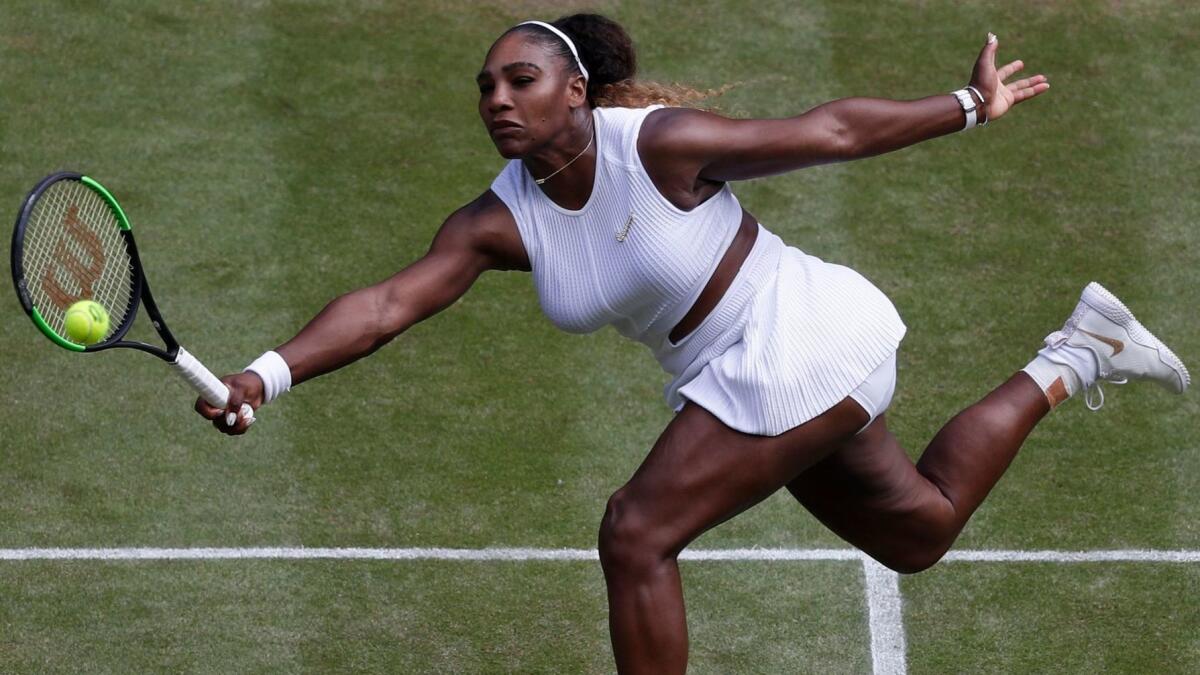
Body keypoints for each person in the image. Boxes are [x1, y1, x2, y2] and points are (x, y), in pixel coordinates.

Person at [195, 14, 1190, 673]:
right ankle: (1080, 350)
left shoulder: (659, 146)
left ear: (575, 91)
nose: (497, 98)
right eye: (486, 86)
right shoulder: (497, 221)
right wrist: (263, 377)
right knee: (917, 530)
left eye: (521, 79)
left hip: (798, 335)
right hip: (737, 377)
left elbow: (830, 131)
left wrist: (970, 105)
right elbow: (384, 307)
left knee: (636, 532)